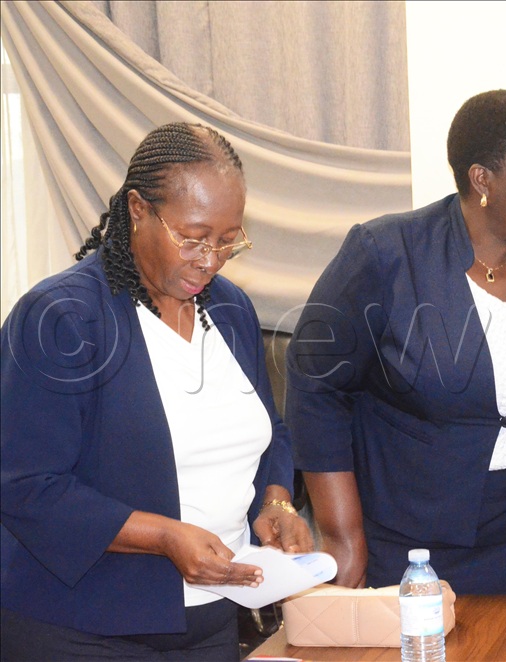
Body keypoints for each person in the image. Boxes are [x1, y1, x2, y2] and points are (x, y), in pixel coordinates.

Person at [286, 90, 506, 655]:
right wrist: (342, 535)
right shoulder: (386, 253)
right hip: (415, 545)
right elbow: (316, 384)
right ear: (483, 179)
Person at [0, 122, 313, 661]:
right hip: (82, 630)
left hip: (214, 620)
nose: (210, 259)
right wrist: (165, 536)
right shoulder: (62, 317)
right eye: (192, 237)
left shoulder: (230, 308)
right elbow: (25, 483)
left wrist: (277, 500)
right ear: (138, 210)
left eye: (227, 239)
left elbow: (270, 433)